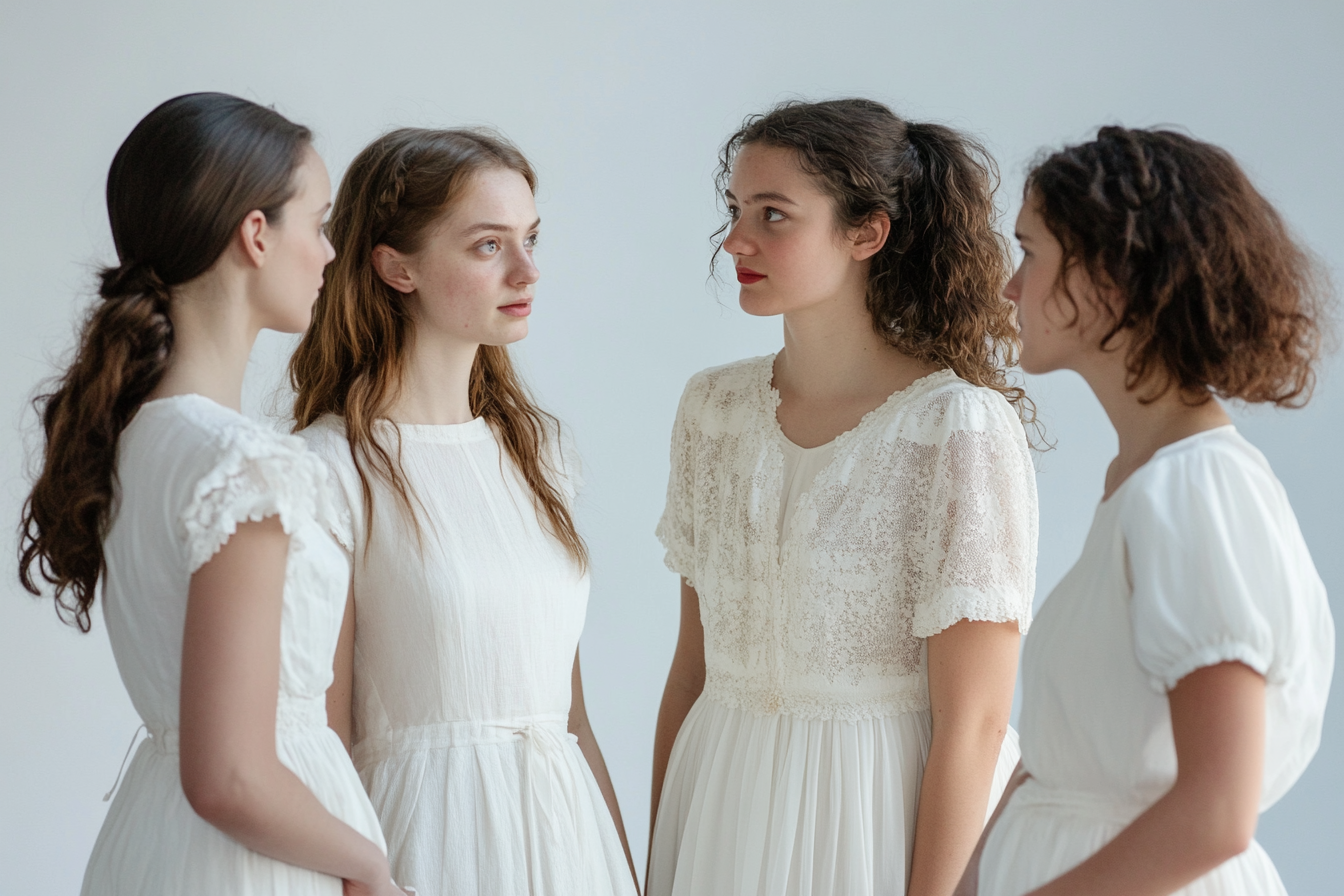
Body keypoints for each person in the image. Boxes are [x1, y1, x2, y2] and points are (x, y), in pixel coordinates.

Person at [647, 98, 1038, 896]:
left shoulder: (956, 427)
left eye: (774, 214)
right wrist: (661, 862)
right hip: (721, 798)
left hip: (870, 814)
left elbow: (975, 725)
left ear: (866, 233)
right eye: (735, 209)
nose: (736, 240)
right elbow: (691, 671)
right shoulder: (712, 409)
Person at [18, 93, 403, 895]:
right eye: (321, 223)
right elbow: (228, 773)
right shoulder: (244, 465)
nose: (332, 254)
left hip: (156, 842)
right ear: (255, 236)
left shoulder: (133, 441)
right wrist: (371, 864)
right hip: (253, 865)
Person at [966, 126, 1335, 896]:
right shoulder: (1144, 483)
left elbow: (1216, 811)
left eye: (1030, 253)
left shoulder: (1197, 490)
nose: (1010, 288)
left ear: (1110, 280)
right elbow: (1058, 760)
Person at [289, 127, 638, 896]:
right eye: (488, 245)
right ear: (395, 265)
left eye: (532, 238)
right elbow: (325, 734)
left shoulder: (538, 455)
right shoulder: (327, 469)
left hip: (567, 844)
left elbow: (571, 719)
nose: (528, 270)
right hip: (426, 844)